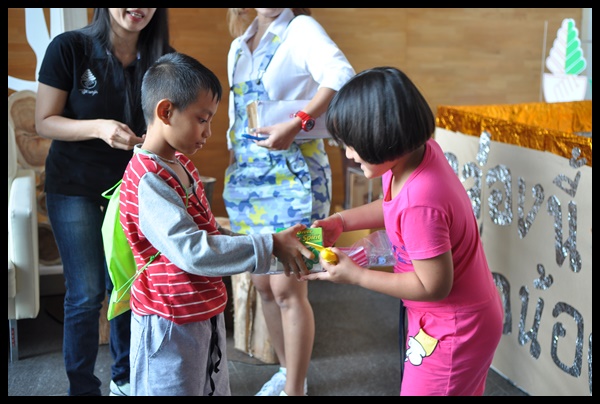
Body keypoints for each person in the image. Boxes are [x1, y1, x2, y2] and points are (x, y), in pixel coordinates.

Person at [120, 51, 313, 396]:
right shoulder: (148, 179)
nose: (209, 131)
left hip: (201, 312)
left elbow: (210, 236)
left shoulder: (182, 165)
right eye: (202, 119)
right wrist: (268, 245)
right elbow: (192, 250)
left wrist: (274, 247)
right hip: (168, 323)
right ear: (166, 111)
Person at [304, 67, 504, 396]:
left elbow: (433, 285)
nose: (349, 155)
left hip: (454, 328)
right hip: (451, 320)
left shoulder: (421, 199)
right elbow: (393, 208)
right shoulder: (413, 157)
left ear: (383, 138)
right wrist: (341, 222)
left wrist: (356, 276)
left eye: (352, 146)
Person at [34, 8, 173, 396]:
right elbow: (43, 121)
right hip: (73, 185)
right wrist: (99, 128)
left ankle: (125, 379)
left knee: (126, 286)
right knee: (86, 292)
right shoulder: (70, 48)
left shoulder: (163, 59)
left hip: (132, 188)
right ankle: (82, 388)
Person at [223, 8, 355, 396]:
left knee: (289, 289)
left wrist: (298, 121)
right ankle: (287, 374)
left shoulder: (300, 28)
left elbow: (341, 76)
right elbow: (236, 118)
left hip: (299, 179)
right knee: (263, 285)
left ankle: (294, 390)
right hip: (249, 182)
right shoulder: (238, 46)